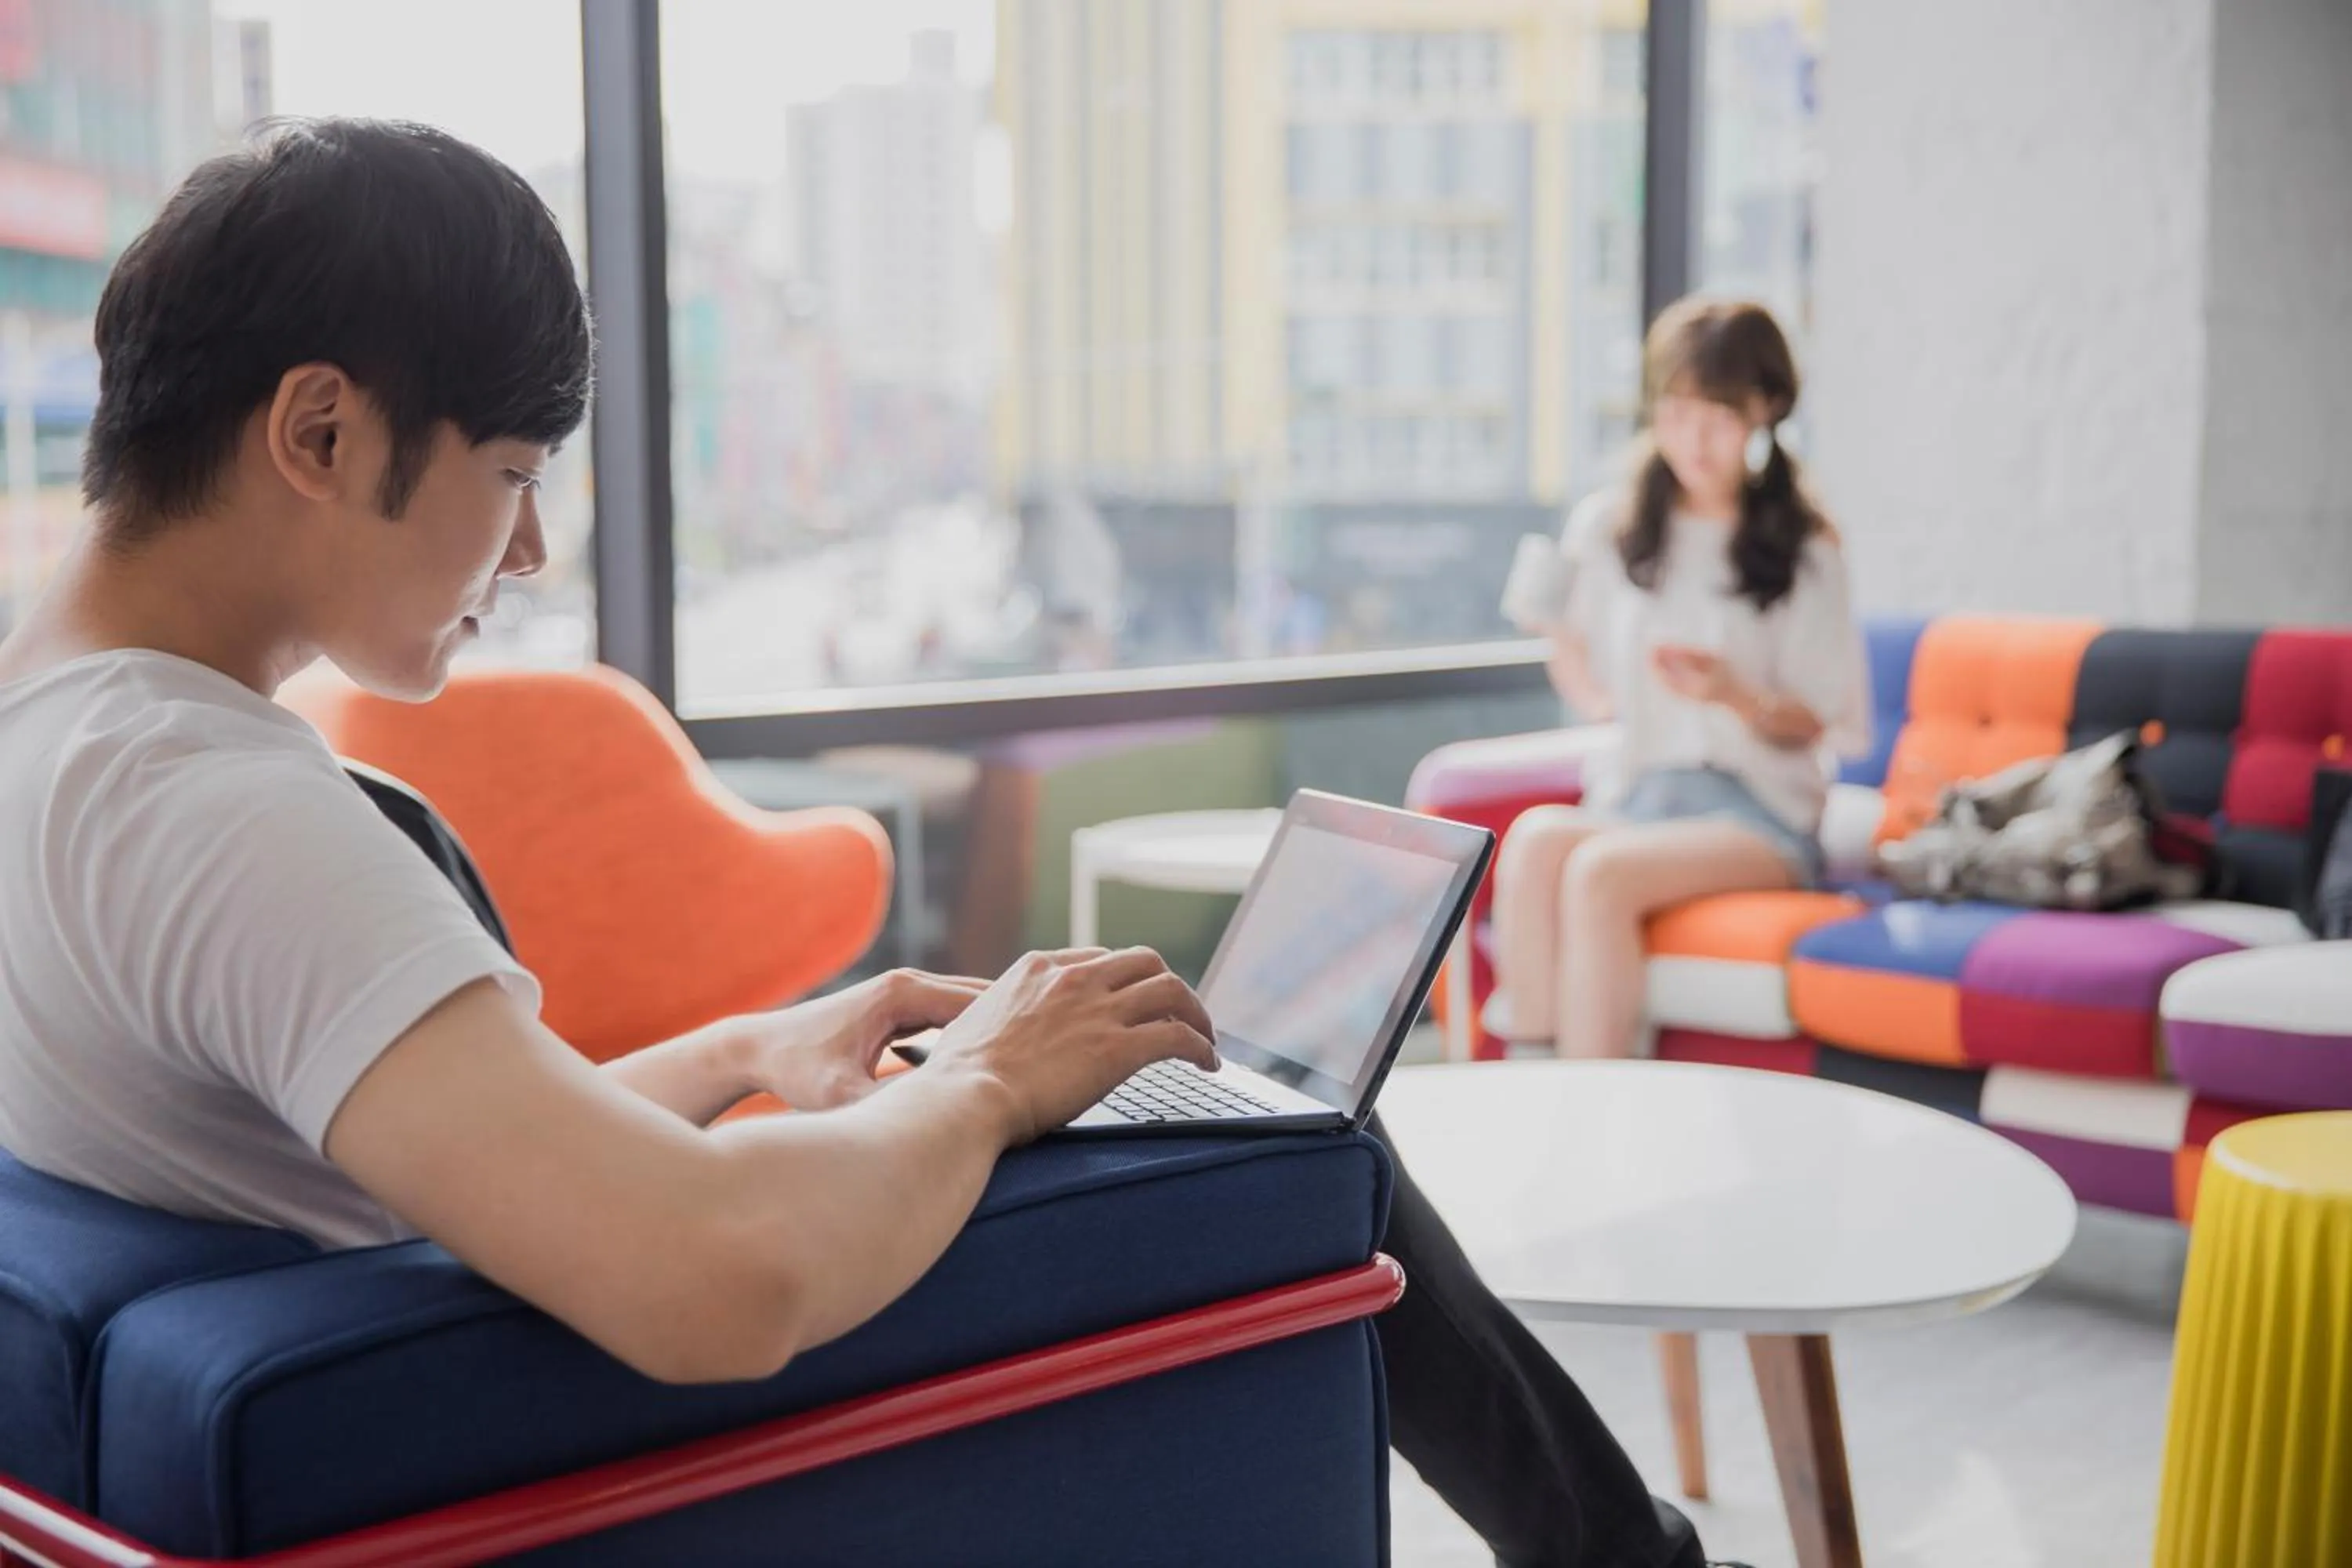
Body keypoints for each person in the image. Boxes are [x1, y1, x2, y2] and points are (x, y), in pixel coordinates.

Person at [0, 120, 1737, 1568]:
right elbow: (718, 1279)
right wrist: (980, 1087)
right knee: (1306, 1154)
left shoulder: (57, 727)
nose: (525, 549)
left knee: (1151, 1077)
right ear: (320, 432)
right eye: (516, 469)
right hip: (572, 1425)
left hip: (411, 1352)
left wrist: (756, 1048)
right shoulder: (215, 807)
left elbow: (400, 1143)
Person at [1492, 299, 1868, 1058]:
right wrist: (1587, 680)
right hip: (1642, 793)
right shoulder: (1611, 526)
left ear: (1764, 409)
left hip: (1760, 812)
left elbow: (1828, 719)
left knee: (1599, 872)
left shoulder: (1804, 547)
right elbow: (1572, 649)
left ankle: (1593, 1107)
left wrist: (1730, 693)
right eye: (1677, 410)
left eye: (1719, 415)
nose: (1693, 438)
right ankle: (1528, 1096)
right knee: (1533, 842)